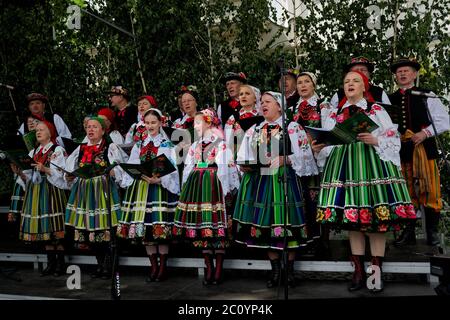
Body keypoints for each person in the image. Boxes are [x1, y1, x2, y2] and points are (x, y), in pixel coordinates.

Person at [314, 71, 416, 293]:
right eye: (346, 82)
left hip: (371, 165)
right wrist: (321, 147)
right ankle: (359, 272)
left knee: (376, 221)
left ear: (364, 87)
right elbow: (330, 140)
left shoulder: (375, 109)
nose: (350, 84)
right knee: (353, 222)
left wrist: (376, 139)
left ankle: (375, 274)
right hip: (344, 168)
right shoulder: (335, 114)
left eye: (355, 81)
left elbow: (392, 137)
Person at [233, 91, 318, 288]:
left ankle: (288, 272)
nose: (263, 104)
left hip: (284, 181)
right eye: (261, 102)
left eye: (268, 101)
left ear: (279, 106)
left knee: (286, 224)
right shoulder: (254, 129)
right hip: (259, 183)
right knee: (266, 227)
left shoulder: (292, 127)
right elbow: (243, 155)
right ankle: (275, 271)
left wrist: (285, 159)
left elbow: (306, 157)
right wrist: (244, 165)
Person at [173, 109, 240, 285]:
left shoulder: (220, 144)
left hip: (214, 186)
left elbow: (226, 168)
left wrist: (226, 190)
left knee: (216, 224)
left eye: (198, 123)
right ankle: (208, 266)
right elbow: (188, 167)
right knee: (202, 224)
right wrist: (186, 188)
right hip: (198, 187)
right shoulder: (195, 146)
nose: (195, 126)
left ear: (209, 123)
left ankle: (218, 268)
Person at [388, 57, 450, 248]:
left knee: (430, 189)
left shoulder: (427, 95)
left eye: (407, 71)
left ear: (414, 74)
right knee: (405, 191)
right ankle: (408, 233)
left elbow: (444, 120)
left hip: (425, 150)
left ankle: (431, 233)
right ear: (396, 76)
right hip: (401, 151)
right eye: (399, 72)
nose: (403, 74)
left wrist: (425, 133)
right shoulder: (390, 99)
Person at [117, 108, 180, 282]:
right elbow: (132, 164)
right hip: (142, 189)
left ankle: (162, 268)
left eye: (153, 122)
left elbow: (172, 168)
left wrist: (159, 180)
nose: (150, 126)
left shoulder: (167, 145)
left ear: (160, 123)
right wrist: (134, 172)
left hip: (159, 190)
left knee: (160, 228)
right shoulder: (139, 144)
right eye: (147, 123)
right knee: (147, 231)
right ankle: (153, 267)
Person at [64, 117, 127, 279]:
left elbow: (120, 168)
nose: (90, 130)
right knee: (89, 229)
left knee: (106, 228)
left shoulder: (109, 147)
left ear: (103, 130)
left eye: (95, 127)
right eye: (88, 127)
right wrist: (70, 176)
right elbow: (71, 168)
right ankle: (100, 264)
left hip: (103, 189)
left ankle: (110, 264)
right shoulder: (81, 148)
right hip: (85, 191)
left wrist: (111, 171)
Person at [11, 121, 68, 276]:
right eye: (36, 130)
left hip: (51, 190)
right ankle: (51, 263)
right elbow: (28, 176)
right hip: (36, 190)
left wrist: (45, 169)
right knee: (45, 227)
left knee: (55, 226)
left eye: (42, 129)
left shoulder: (57, 150)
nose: (38, 132)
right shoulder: (34, 151)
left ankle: (60, 264)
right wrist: (20, 172)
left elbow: (62, 173)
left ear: (50, 133)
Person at [293, 72, 333, 257]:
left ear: (313, 85)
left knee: (318, 200)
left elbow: (329, 131)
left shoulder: (322, 105)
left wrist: (319, 144)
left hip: (318, 160)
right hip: (300, 162)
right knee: (303, 202)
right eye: (299, 82)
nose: (302, 85)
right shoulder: (294, 108)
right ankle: (306, 240)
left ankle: (322, 241)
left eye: (306, 82)